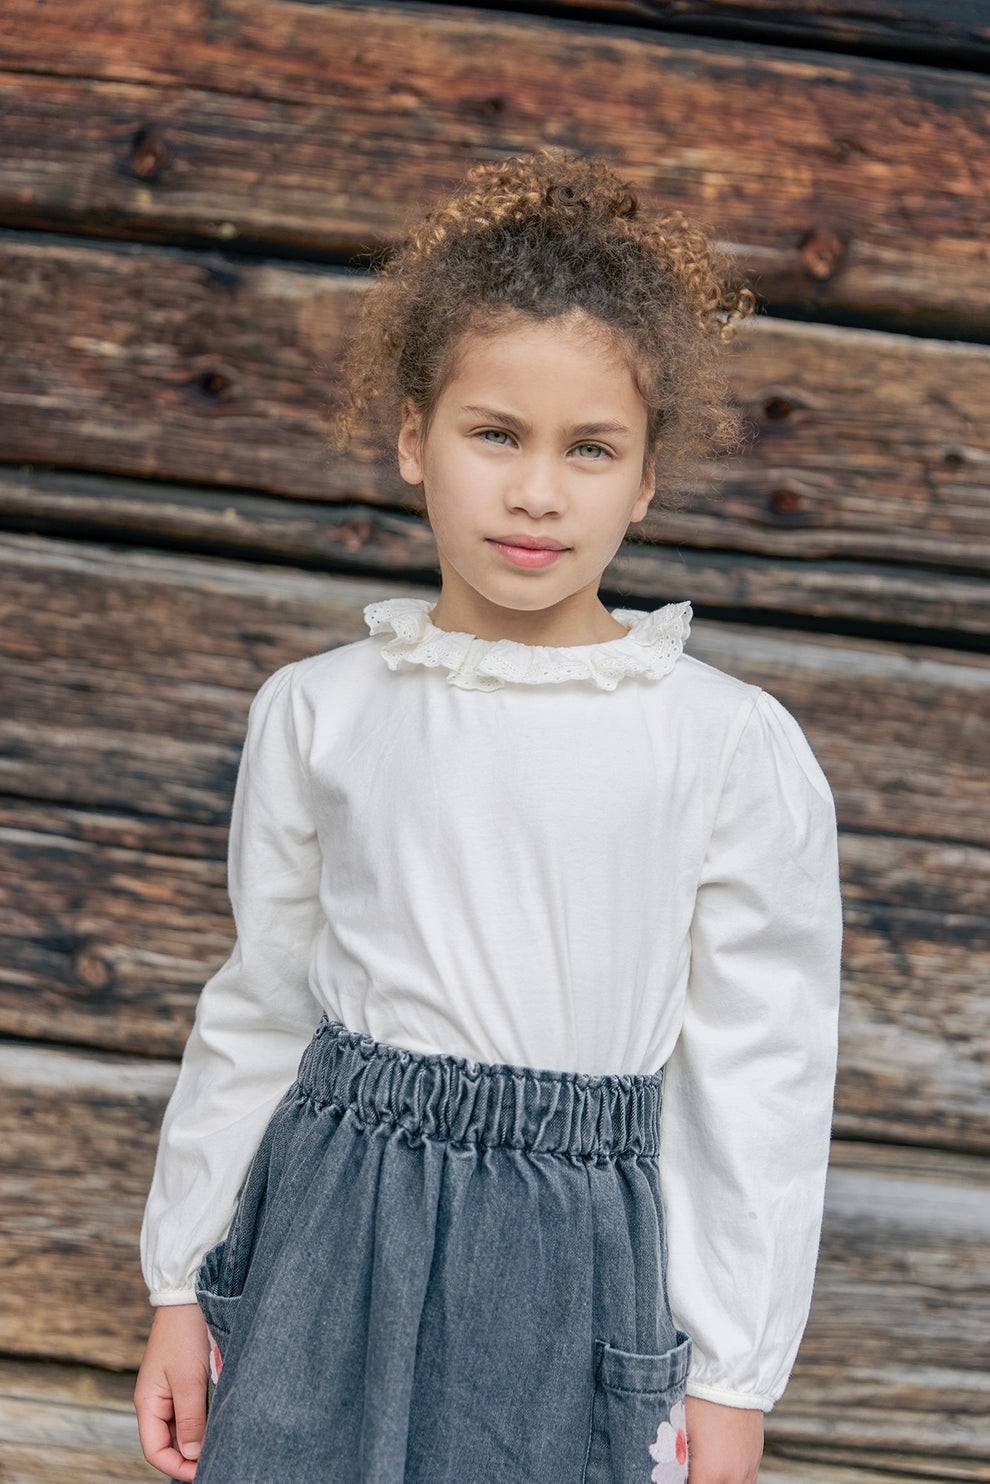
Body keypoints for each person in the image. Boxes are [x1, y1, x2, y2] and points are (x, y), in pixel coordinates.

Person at [134, 151, 841, 1484]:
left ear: (646, 480)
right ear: (414, 437)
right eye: (496, 433)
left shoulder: (723, 745)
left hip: (575, 1255)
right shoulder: (318, 711)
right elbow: (262, 1003)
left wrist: (734, 1376)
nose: (537, 492)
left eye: (591, 449)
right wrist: (179, 1279)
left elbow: (758, 1079)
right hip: (329, 1221)